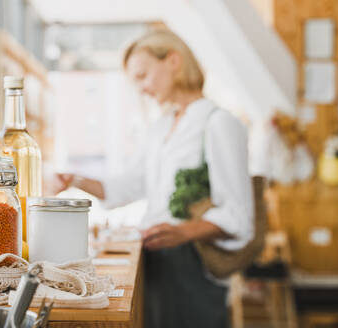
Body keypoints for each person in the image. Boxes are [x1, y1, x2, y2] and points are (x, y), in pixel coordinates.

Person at [54, 29, 254, 328]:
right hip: (156, 256)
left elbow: (239, 217)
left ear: (173, 61)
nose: (141, 88)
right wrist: (75, 180)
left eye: (143, 75)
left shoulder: (219, 124)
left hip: (192, 262)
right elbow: (130, 185)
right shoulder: (162, 127)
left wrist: (184, 232)